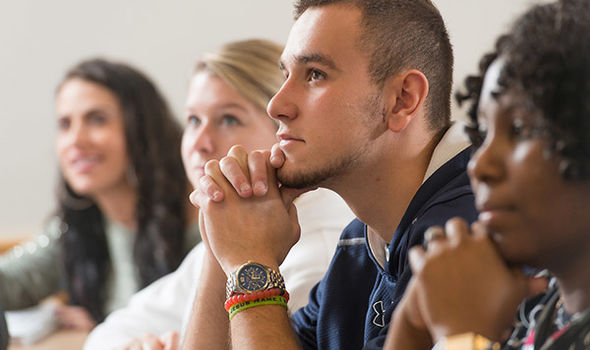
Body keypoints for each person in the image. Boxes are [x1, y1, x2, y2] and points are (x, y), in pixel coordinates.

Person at [187, 0, 478, 349]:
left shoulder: (469, 230)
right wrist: (224, 240)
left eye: (314, 75)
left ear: (402, 99)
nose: (276, 106)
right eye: (285, 75)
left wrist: (249, 265)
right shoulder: (361, 241)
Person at [83, 39, 355, 350]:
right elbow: (109, 332)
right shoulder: (230, 231)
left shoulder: (320, 251)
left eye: (228, 119)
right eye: (193, 120)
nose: (199, 142)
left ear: (283, 131)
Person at [384, 0, 590, 349]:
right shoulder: (537, 311)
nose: (479, 165)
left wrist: (463, 336)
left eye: (522, 129)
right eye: (482, 133)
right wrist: (412, 321)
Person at [0, 59, 199, 330]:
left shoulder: (199, 219)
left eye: (97, 119)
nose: (76, 139)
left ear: (142, 129)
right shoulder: (76, 225)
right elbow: (10, 283)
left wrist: (101, 331)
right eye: (65, 124)